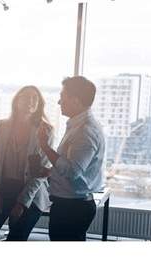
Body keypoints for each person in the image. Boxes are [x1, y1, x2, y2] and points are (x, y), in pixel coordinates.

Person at [0, 86, 53, 241]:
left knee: (17, 237)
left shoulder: (46, 130)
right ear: (16, 101)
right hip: (3, 189)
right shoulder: (1, 126)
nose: (30, 101)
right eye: (26, 97)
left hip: (31, 193)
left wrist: (22, 203)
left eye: (35, 98)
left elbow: (40, 174)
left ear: (39, 104)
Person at [35, 76, 106, 241]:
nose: (59, 102)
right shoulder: (79, 126)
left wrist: (45, 146)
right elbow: (72, 164)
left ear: (75, 100)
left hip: (72, 209)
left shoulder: (85, 131)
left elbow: (73, 171)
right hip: (70, 205)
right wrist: (50, 172)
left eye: (63, 97)